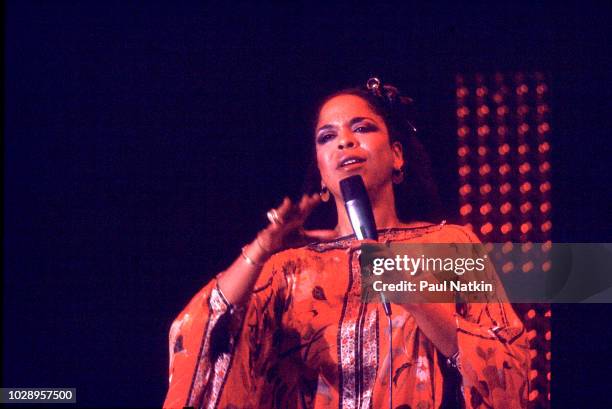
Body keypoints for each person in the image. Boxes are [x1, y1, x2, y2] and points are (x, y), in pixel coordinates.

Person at [163, 78, 530, 409]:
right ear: (322, 173)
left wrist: (420, 303)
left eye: (363, 128)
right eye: (327, 136)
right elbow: (201, 333)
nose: (344, 141)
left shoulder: (451, 245)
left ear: (398, 156)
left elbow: (510, 371)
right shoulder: (289, 268)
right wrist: (261, 248)